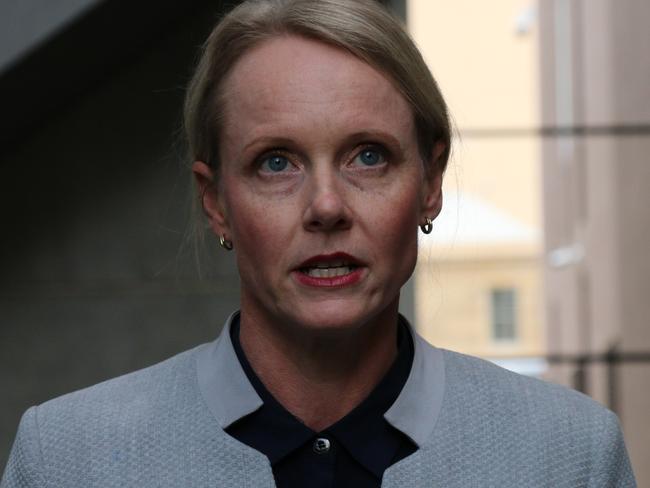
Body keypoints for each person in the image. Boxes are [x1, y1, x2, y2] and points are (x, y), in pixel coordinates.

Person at [1, 0, 636, 486]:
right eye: (276, 163)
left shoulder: (567, 455)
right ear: (216, 201)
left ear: (430, 184)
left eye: (369, 156)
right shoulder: (65, 458)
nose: (327, 207)